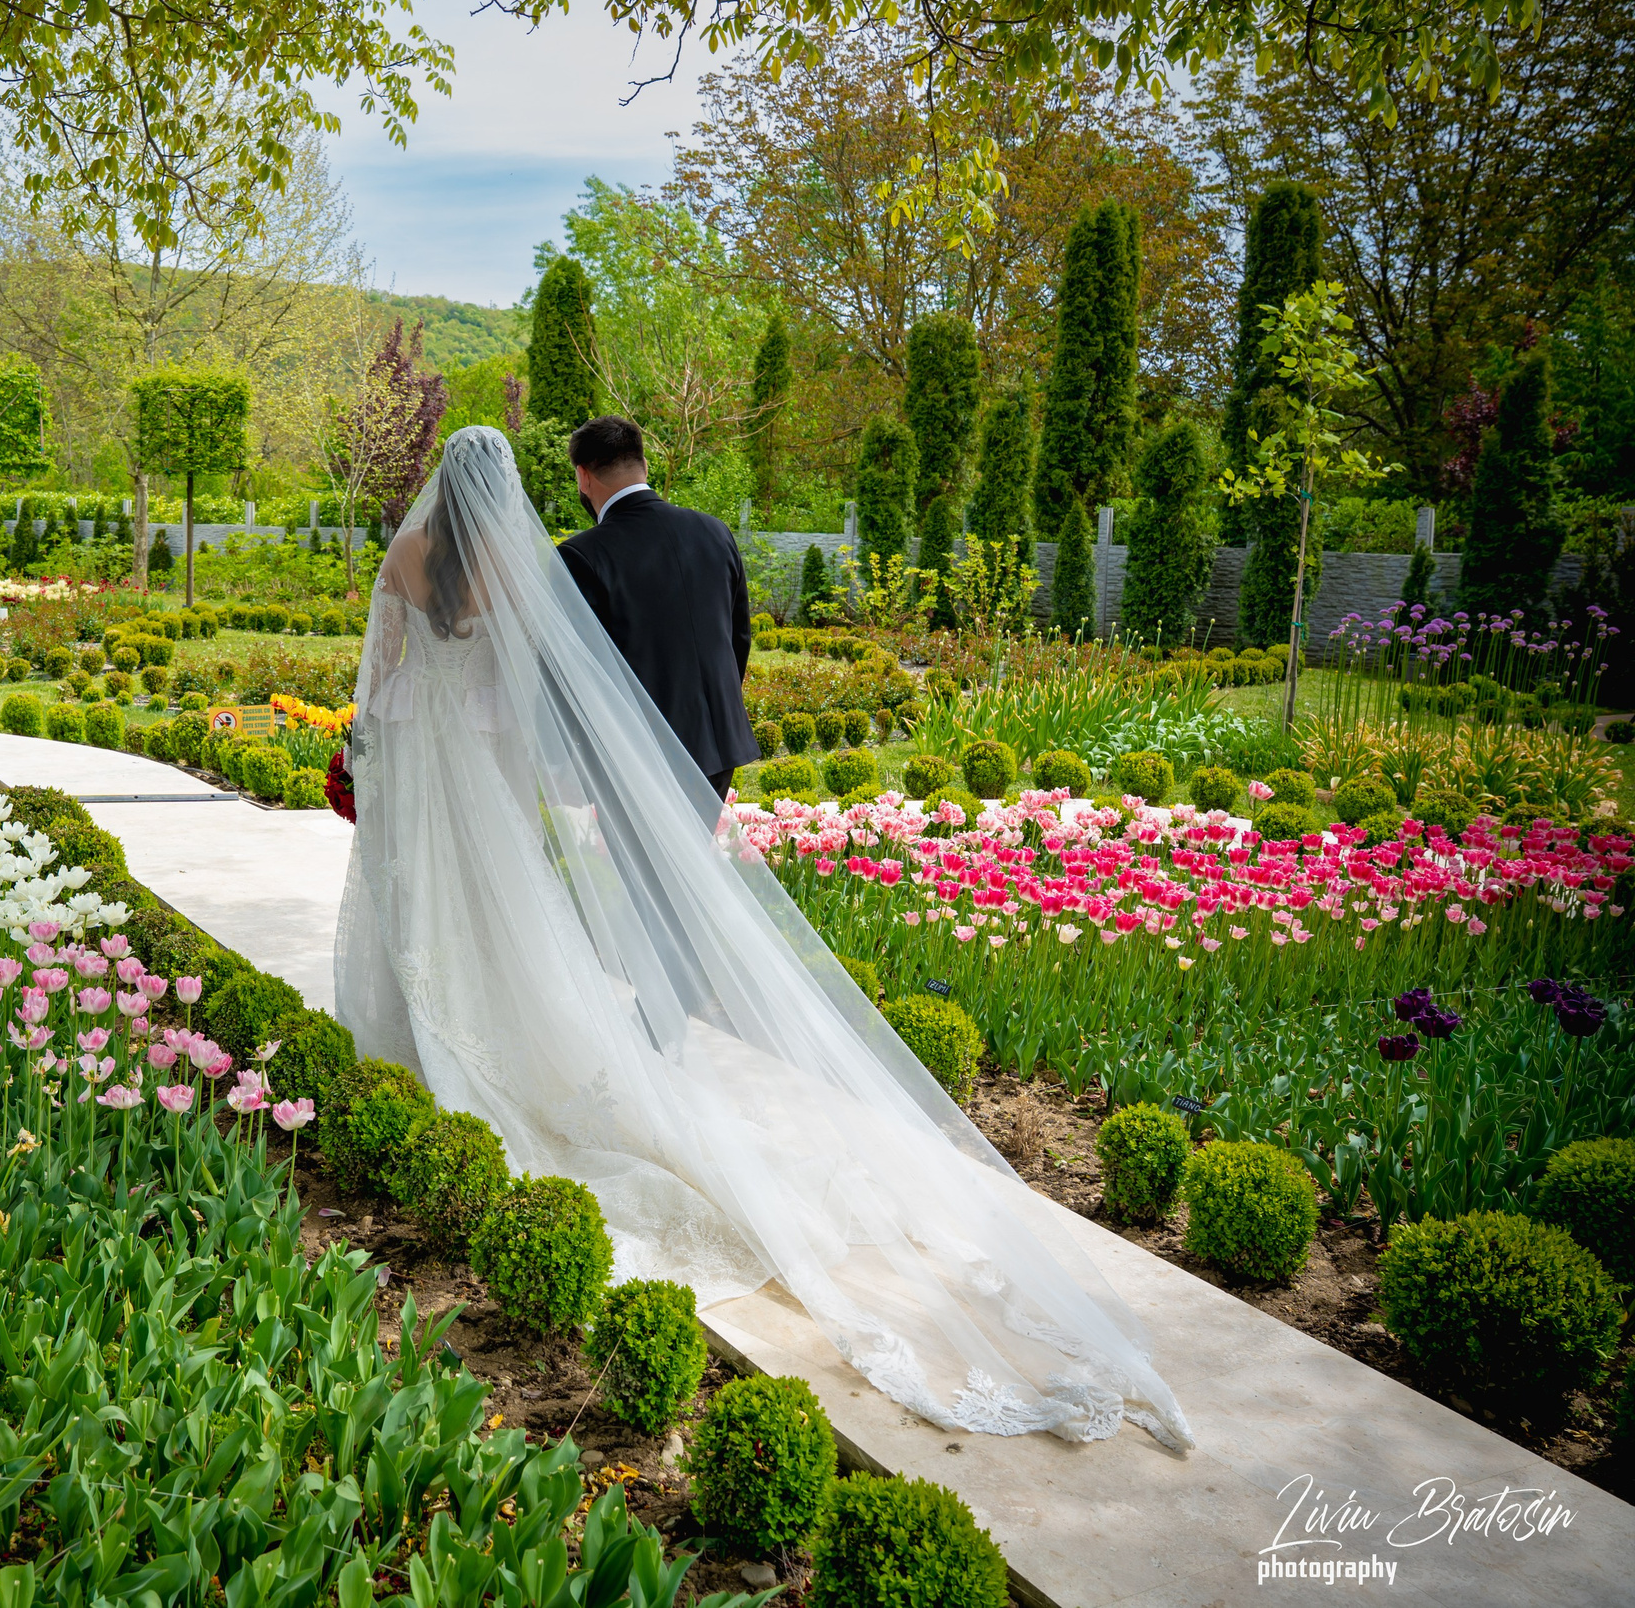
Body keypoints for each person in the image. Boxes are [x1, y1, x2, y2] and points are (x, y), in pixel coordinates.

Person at [334, 425, 1192, 1451]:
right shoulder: (538, 566)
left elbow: (377, 682)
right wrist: (525, 790)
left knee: (425, 922)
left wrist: (365, 754)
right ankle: (588, 1043)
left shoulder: (407, 556)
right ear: (515, 487)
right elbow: (539, 698)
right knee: (508, 934)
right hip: (528, 771)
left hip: (428, 780)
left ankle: (418, 1062)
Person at [555, 416, 759, 802]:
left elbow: (572, 666)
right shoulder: (715, 531)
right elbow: (739, 638)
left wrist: (559, 758)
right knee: (692, 859)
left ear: (583, 477)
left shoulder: (580, 555)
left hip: (635, 753)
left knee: (637, 864)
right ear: (644, 466)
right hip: (718, 741)